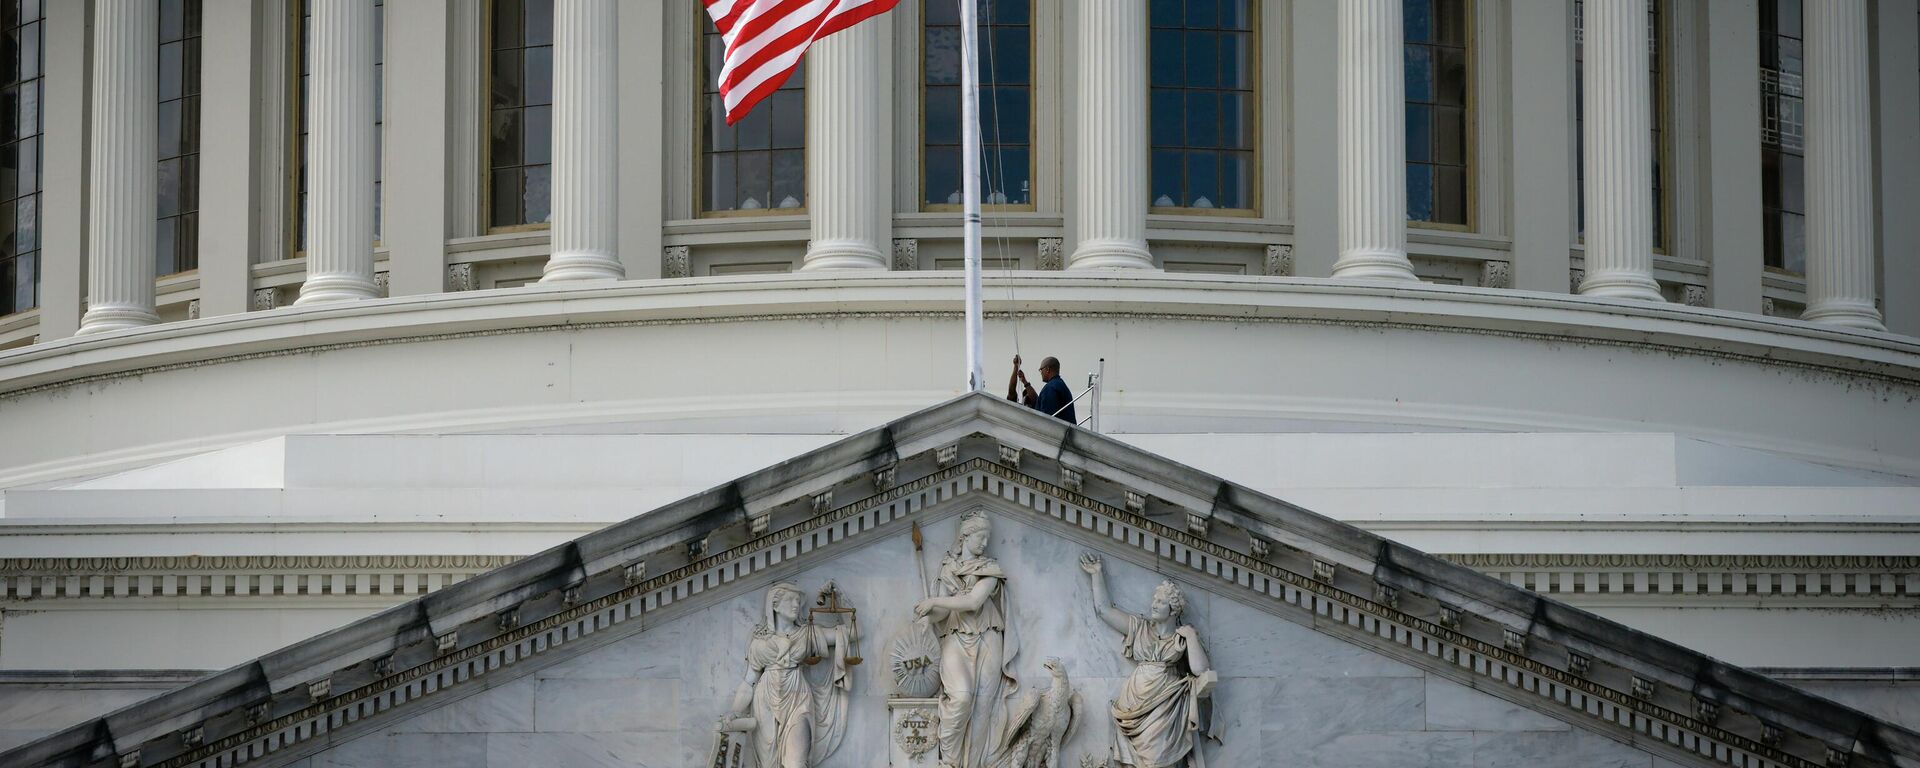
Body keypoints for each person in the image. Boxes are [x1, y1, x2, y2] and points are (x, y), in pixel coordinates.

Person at [1078, 554, 1218, 768]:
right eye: (1155, 599)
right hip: (1133, 705)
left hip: (1164, 705)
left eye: (1160, 601)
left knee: (1156, 760)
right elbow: (1104, 611)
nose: (1154, 604)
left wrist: (1190, 636)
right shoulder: (1140, 628)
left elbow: (1201, 670)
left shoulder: (1181, 637)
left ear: (1173, 609)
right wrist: (1097, 575)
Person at [913, 512, 1020, 768]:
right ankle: (949, 763)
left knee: (983, 706)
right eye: (981, 537)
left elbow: (972, 602)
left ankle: (974, 764)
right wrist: (928, 614)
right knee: (961, 697)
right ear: (966, 536)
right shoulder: (947, 567)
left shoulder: (990, 569)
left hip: (988, 637)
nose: (984, 543)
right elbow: (941, 614)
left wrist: (934, 601)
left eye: (987, 538)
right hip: (955, 637)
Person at [718, 582, 854, 768]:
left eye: (798, 601)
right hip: (765, 703)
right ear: (774, 605)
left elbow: (853, 634)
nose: (796, 605)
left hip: (798, 699)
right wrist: (735, 711)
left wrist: (840, 601)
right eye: (791, 600)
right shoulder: (760, 642)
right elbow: (749, 682)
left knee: (795, 763)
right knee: (768, 765)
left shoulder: (807, 634)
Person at [1032, 357, 1075, 425]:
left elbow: (1046, 418)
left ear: (1047, 369)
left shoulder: (1050, 388)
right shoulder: (1061, 385)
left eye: (1041, 369)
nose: (1041, 373)